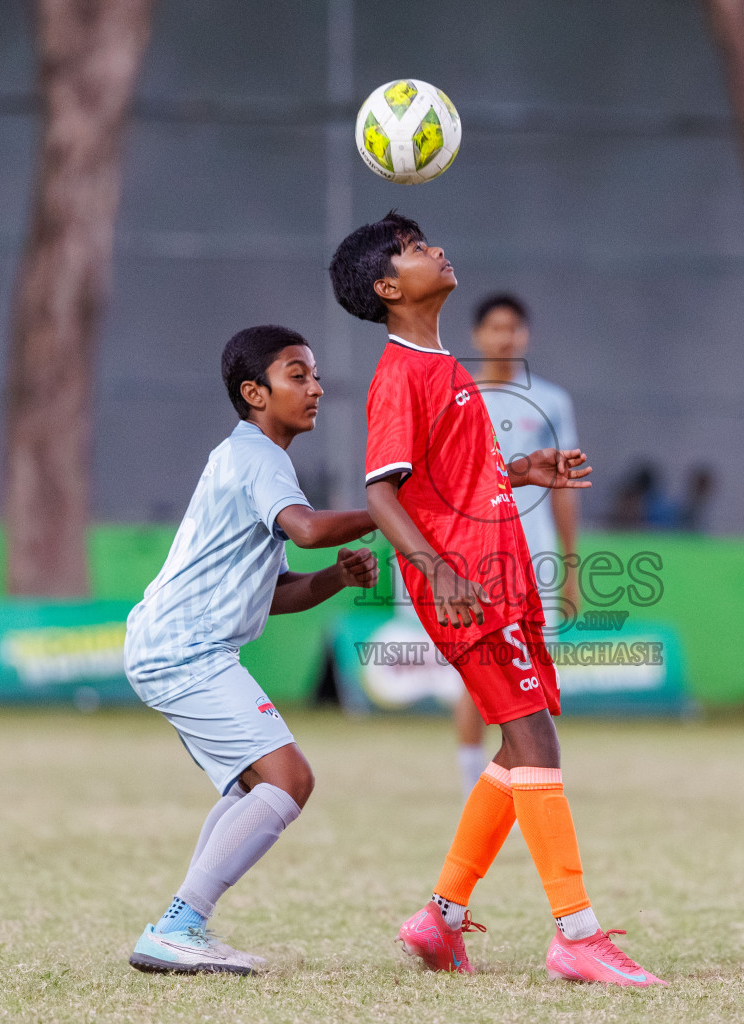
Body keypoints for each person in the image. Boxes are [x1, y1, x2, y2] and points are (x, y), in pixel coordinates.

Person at [329, 210, 665, 986]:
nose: (436, 249)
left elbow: (450, 479)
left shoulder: (443, 365)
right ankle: (576, 937)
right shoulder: (401, 374)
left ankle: (440, 919)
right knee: (538, 744)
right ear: (388, 286)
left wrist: (525, 469)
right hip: (467, 589)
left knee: (521, 748)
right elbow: (382, 493)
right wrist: (437, 571)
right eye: (415, 250)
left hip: (499, 578)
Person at [122, 325, 379, 975]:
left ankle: (181, 926)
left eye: (315, 374)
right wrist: (396, 505)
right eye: (298, 374)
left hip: (176, 647)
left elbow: (277, 591)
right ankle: (179, 926)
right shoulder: (257, 459)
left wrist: (336, 579)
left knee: (256, 783)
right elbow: (312, 528)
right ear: (253, 392)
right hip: (185, 651)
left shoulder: (252, 457)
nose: (316, 387)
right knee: (291, 780)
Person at [454, 293, 581, 798]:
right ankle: (472, 783)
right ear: (477, 335)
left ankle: (513, 781)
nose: (505, 337)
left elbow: (564, 488)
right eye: (495, 327)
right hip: (476, 556)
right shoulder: (460, 397)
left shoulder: (550, 401)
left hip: (536, 558)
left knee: (530, 675)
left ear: (525, 335)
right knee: (478, 674)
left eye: (514, 328)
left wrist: (570, 566)